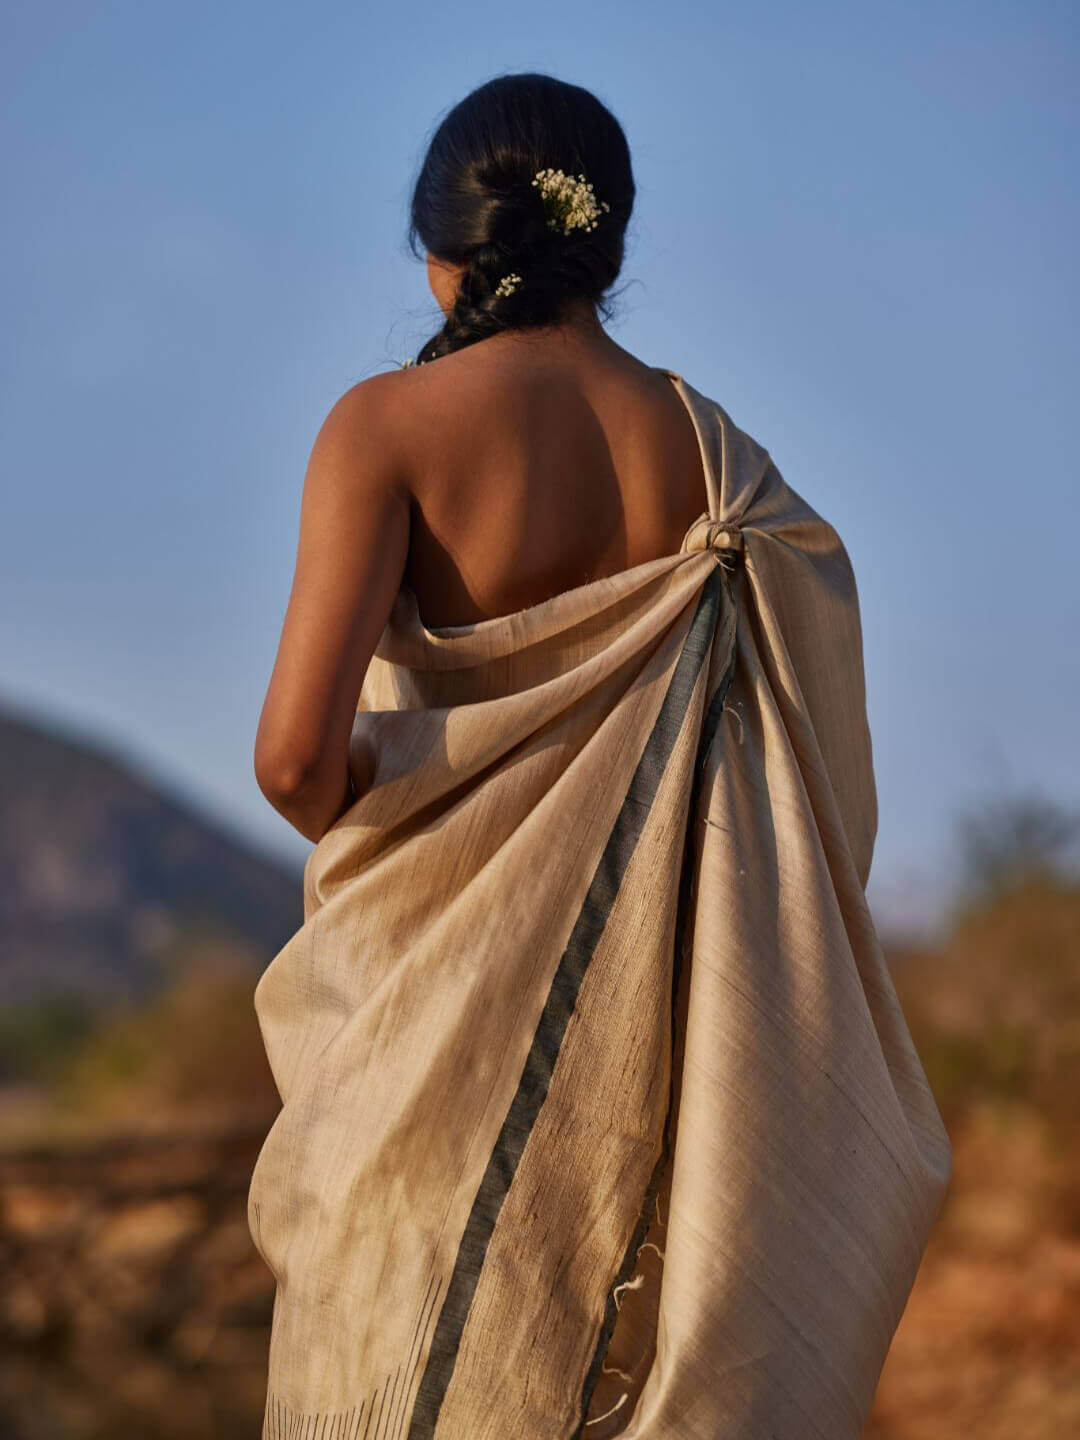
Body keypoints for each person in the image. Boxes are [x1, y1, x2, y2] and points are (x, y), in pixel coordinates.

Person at [248, 72, 952, 1440]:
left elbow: (292, 761)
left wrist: (426, 828)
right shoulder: (725, 471)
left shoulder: (384, 429)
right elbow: (814, 797)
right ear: (606, 247)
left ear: (444, 259)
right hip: (649, 1079)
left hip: (427, 1060)